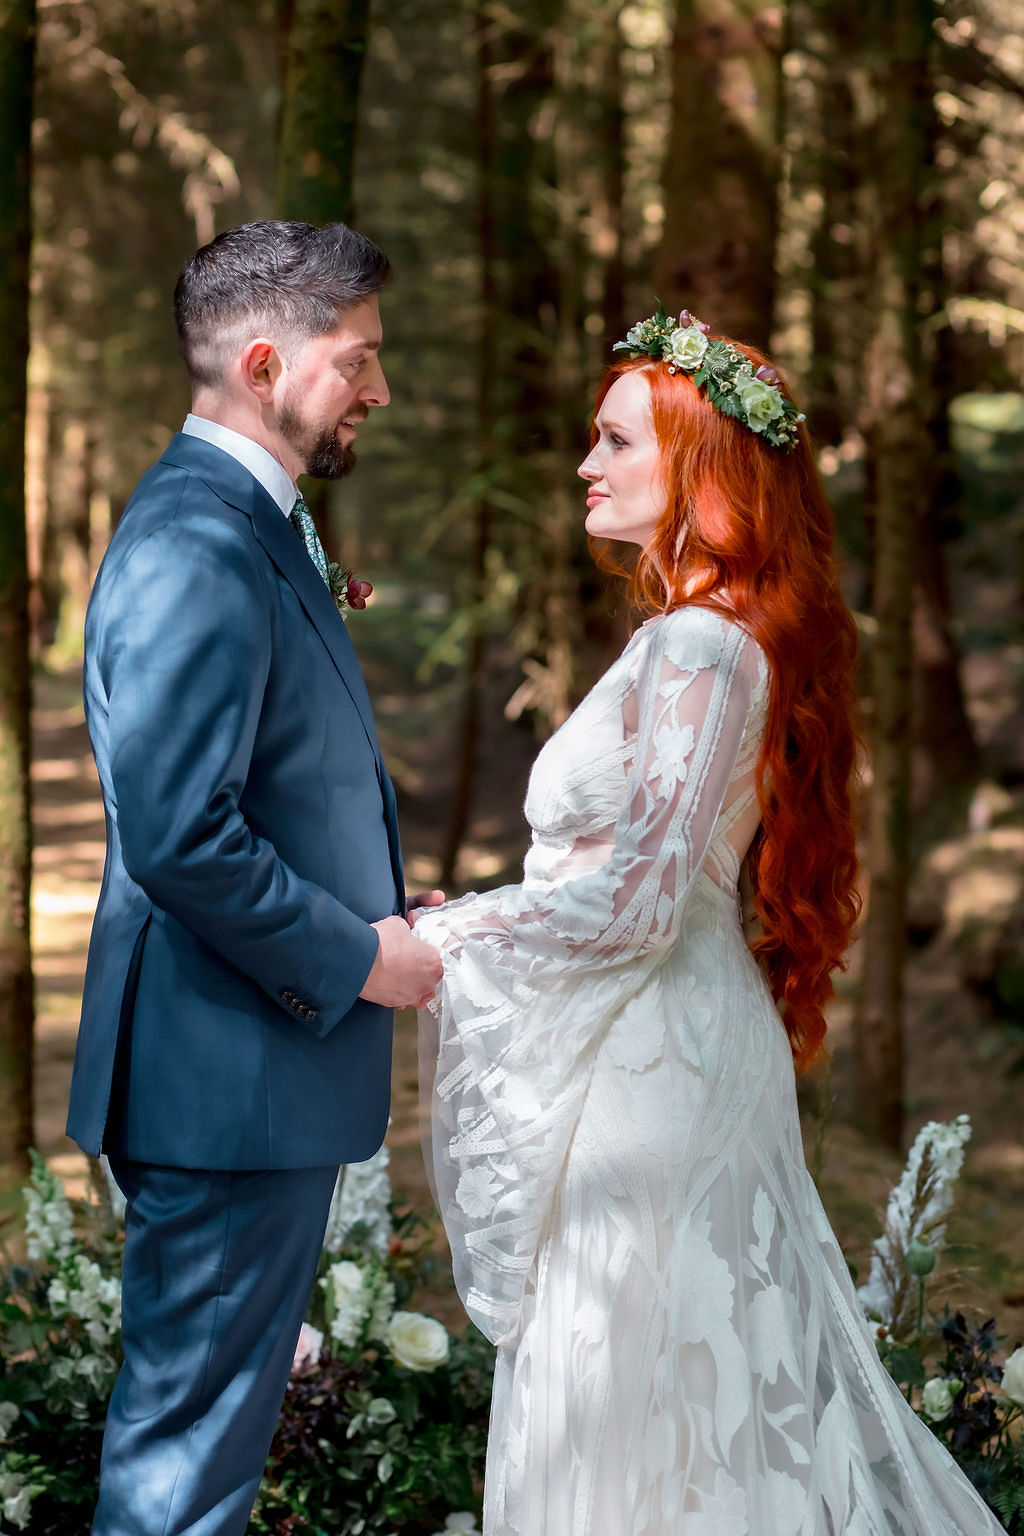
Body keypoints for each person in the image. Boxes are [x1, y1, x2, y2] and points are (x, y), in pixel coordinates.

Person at [413, 309, 1005, 1534]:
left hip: (652, 1075)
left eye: (616, 441)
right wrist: (491, 915)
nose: (587, 464)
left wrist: (453, 935)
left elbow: (640, 899)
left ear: (698, 469)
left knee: (649, 1402)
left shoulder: (697, 644)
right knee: (686, 1399)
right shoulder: (701, 638)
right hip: (663, 1042)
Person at [66, 220, 442, 1536]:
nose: (379, 392)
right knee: (184, 1467)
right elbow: (178, 834)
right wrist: (356, 958)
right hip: (219, 1082)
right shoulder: (195, 541)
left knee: (207, 1451)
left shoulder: (251, 524)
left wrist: (380, 907)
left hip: (243, 1073)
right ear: (267, 362)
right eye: (359, 362)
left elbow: (270, 782)